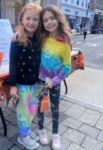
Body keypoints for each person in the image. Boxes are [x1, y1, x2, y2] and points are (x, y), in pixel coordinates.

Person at [37, 5, 71, 150]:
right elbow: (25, 32)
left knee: (55, 108)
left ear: (58, 19)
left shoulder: (64, 43)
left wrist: (54, 81)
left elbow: (67, 67)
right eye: (45, 20)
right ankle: (41, 130)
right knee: (40, 107)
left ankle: (55, 134)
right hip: (40, 81)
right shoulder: (42, 38)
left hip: (54, 83)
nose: (49, 22)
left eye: (52, 18)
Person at [9, 3, 42, 150]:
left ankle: (26, 132)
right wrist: (13, 85)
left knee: (32, 109)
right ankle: (22, 137)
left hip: (34, 84)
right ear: (22, 19)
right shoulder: (17, 40)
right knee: (23, 112)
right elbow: (13, 63)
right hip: (22, 85)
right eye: (28, 18)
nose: (31, 22)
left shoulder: (39, 38)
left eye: (35, 19)